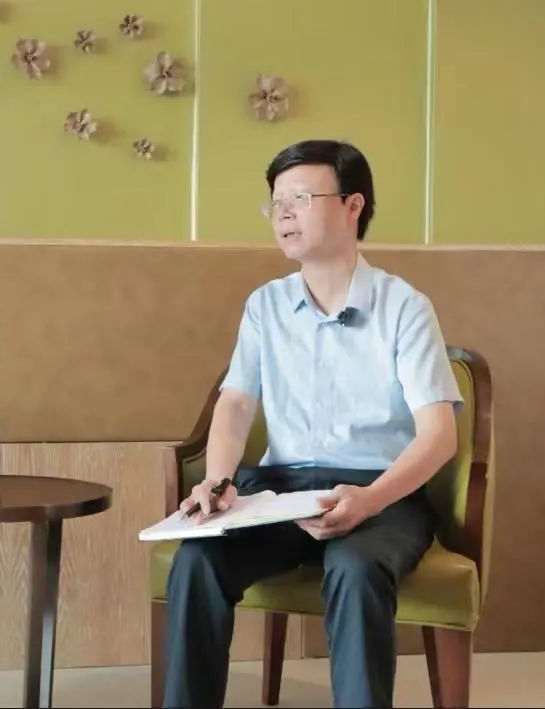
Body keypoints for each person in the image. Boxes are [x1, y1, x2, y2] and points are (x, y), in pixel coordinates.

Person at [163, 140, 462, 708]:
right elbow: (235, 403)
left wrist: (370, 500)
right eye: (276, 203)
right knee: (198, 559)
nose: (283, 214)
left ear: (353, 205)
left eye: (300, 199)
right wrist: (219, 481)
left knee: (356, 568)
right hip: (279, 492)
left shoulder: (405, 307)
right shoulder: (265, 305)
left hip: (380, 491)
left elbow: (439, 434)